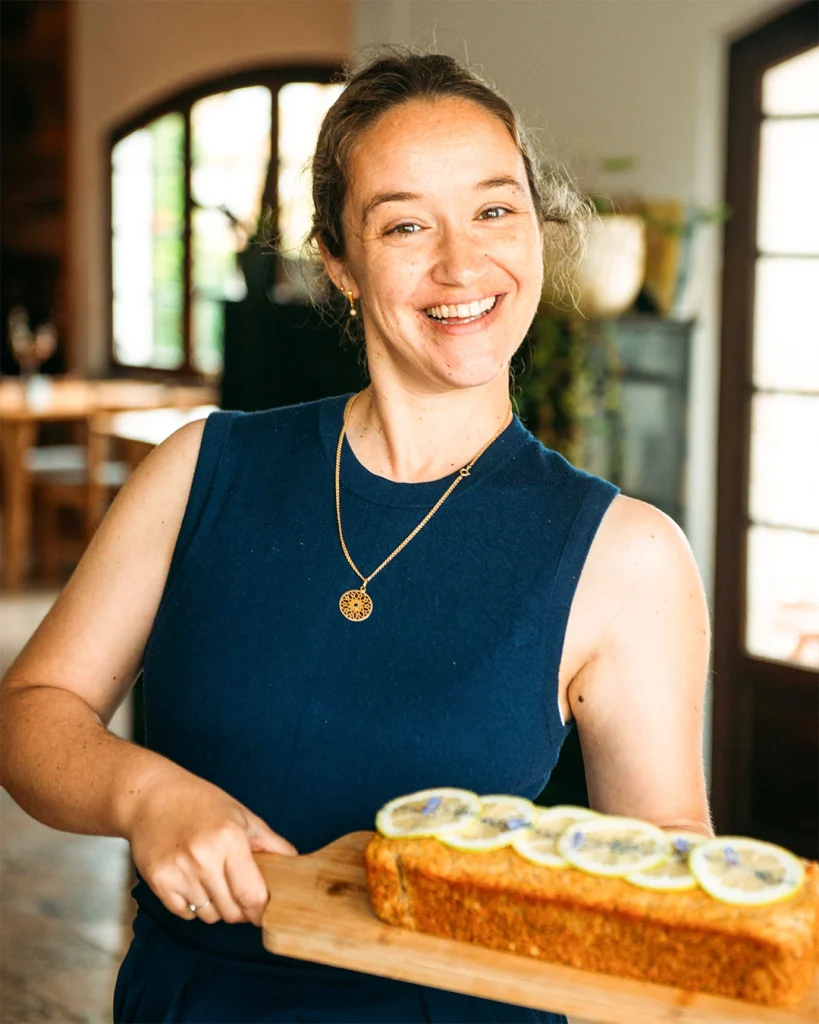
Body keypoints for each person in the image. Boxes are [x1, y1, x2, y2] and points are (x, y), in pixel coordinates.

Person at [0, 49, 713, 1024]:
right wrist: (143, 794)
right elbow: (32, 711)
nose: (461, 264)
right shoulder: (199, 470)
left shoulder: (627, 554)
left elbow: (664, 873)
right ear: (337, 261)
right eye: (406, 224)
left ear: (537, 229)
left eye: (494, 210)